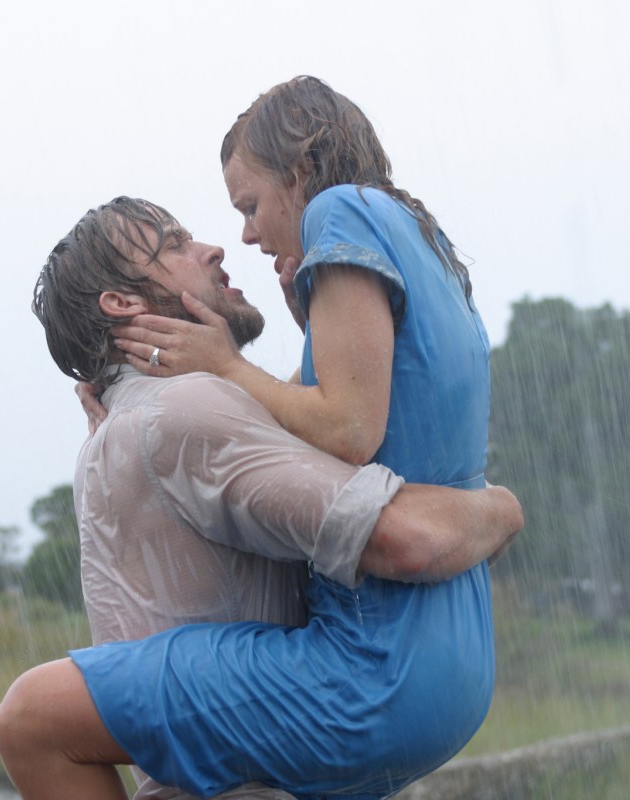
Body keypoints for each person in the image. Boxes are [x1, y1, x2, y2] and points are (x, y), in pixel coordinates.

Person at [0, 196, 522, 800]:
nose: (212, 248)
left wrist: (323, 334)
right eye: (173, 245)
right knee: (33, 712)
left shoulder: (116, 433)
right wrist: (500, 507)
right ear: (123, 305)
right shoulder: (181, 412)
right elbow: (408, 541)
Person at [109, 76, 500, 791]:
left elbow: (350, 431)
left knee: (49, 714)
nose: (248, 235)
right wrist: (312, 339)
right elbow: (408, 415)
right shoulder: (421, 236)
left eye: (251, 206)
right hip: (462, 646)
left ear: (300, 170)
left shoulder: (338, 209)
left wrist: (226, 365)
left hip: (381, 655)